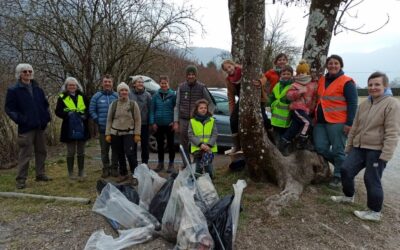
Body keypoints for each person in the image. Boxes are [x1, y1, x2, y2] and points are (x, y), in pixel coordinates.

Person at [330, 72, 400, 221]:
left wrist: (386, 155)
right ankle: (349, 196)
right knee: (345, 169)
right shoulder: (364, 104)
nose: (373, 87)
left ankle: (375, 212)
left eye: (377, 84)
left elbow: (393, 132)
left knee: (371, 178)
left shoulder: (392, 104)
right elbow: (355, 127)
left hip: (377, 150)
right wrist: (349, 147)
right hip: (359, 147)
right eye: (370, 85)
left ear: (385, 86)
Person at [313, 55, 358, 188]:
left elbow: (353, 104)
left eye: (336, 63)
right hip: (320, 121)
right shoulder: (322, 80)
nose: (333, 65)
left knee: (338, 149)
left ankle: (338, 176)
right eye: (330, 63)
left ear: (341, 65)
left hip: (338, 121)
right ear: (326, 66)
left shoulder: (347, 82)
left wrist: (349, 123)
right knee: (320, 147)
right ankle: (345, 166)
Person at [5, 63, 52, 189]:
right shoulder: (14, 90)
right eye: (24, 71)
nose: (27, 73)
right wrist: (22, 120)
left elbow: (45, 105)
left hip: (40, 126)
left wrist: (46, 118)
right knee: (25, 154)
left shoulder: (38, 88)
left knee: (41, 151)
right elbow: (10, 109)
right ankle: (21, 179)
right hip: (26, 127)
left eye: (29, 71)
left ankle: (40, 174)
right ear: (19, 74)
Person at [221, 59, 269, 153]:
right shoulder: (228, 80)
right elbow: (230, 97)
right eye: (226, 69)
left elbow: (264, 77)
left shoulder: (245, 70)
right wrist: (232, 112)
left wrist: (260, 82)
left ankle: (271, 139)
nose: (229, 70)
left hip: (255, 97)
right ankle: (237, 145)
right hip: (242, 99)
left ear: (233, 65)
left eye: (229, 67)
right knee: (233, 120)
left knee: (264, 119)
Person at [173, 65, 215, 157]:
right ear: (186, 75)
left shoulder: (202, 87)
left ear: (196, 75)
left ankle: (197, 166)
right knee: (183, 145)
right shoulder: (181, 87)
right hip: (183, 120)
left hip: (196, 121)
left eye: (193, 74)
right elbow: (177, 105)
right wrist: (176, 122)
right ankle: (186, 165)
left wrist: (208, 115)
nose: (191, 76)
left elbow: (211, 103)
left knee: (197, 144)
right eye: (189, 74)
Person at [279, 60, 317, 156]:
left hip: (306, 110)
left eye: (303, 72)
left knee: (294, 128)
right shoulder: (294, 84)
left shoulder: (312, 84)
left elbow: (314, 97)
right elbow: (289, 96)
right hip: (297, 108)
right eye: (299, 72)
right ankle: (301, 141)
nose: (301, 75)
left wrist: (312, 108)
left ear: (307, 73)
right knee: (307, 122)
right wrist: (299, 92)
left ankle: (283, 143)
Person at [55, 77, 90, 179]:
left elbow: (88, 109)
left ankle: (81, 171)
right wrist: (66, 114)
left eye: (74, 85)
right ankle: (70, 172)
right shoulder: (62, 97)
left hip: (82, 126)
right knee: (70, 151)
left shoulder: (82, 96)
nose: (72, 87)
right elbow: (57, 111)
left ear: (77, 86)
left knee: (81, 150)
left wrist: (85, 116)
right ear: (66, 86)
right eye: (70, 85)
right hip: (68, 127)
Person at [105, 82, 141, 183]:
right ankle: (123, 173)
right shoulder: (114, 104)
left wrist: (137, 133)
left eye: (125, 90)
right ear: (118, 92)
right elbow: (109, 120)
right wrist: (108, 133)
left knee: (130, 154)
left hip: (129, 133)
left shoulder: (133, 104)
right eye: (122, 90)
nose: (124, 92)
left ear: (128, 92)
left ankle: (135, 175)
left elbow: (138, 120)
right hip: (115, 133)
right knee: (120, 154)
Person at [89, 74, 119, 178]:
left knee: (115, 150)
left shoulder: (117, 96)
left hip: (115, 129)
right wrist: (97, 119)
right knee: (104, 151)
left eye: (109, 82)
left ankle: (115, 168)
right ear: (102, 83)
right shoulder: (97, 96)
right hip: (103, 128)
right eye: (105, 82)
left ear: (112, 83)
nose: (107, 84)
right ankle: (106, 168)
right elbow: (91, 110)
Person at [150, 75, 176, 173]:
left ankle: (171, 164)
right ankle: (160, 164)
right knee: (160, 145)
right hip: (158, 125)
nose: (163, 85)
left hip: (169, 124)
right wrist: (153, 122)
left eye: (165, 83)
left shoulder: (173, 94)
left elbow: (176, 109)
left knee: (171, 145)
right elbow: (152, 110)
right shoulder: (155, 95)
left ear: (168, 83)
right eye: (162, 83)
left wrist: (174, 121)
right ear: (159, 84)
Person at [188, 99, 218, 178]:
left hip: (209, 149)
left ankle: (209, 183)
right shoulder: (192, 121)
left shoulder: (212, 120)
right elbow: (190, 134)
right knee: (198, 169)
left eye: (205, 108)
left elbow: (214, 134)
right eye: (201, 108)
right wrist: (200, 144)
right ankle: (198, 184)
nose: (203, 109)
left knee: (209, 169)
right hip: (198, 149)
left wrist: (209, 145)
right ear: (197, 109)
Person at [129, 76, 152, 168]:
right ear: (134, 84)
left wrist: (151, 122)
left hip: (144, 124)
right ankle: (134, 165)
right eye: (138, 82)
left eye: (142, 82)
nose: (140, 84)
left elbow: (150, 110)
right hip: (132, 124)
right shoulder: (129, 94)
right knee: (133, 146)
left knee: (145, 146)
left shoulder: (148, 95)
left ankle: (144, 165)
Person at [269, 65, 294, 141]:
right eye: (284, 74)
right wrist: (269, 104)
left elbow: (293, 98)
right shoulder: (277, 85)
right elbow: (272, 96)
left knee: (284, 136)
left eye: (288, 74)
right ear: (280, 75)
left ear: (291, 75)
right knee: (276, 135)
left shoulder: (292, 86)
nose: (286, 76)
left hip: (286, 118)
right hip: (275, 116)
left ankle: (282, 149)